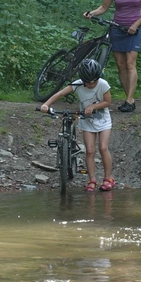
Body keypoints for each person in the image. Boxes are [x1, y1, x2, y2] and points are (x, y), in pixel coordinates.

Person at [40, 59, 116, 192]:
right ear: (83, 80)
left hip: (102, 119)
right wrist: (46, 104)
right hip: (86, 120)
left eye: (94, 81)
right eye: (88, 82)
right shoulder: (77, 84)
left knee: (103, 147)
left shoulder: (103, 84)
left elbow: (107, 102)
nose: (92, 84)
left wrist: (93, 106)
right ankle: (92, 179)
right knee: (90, 150)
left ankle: (108, 178)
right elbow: (60, 94)